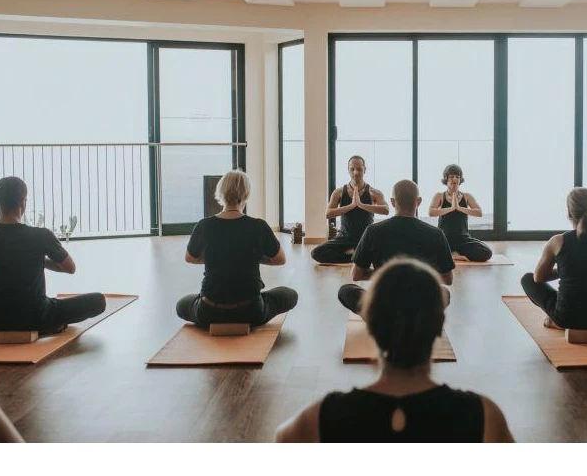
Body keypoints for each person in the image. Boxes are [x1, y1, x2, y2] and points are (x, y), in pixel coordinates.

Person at [276, 258, 514, 443]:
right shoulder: (482, 414)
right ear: (440, 324)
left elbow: (283, 438)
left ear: (371, 323)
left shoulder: (326, 413)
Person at [0, 176, 106, 334]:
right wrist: (39, 259)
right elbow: (70, 268)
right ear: (23, 201)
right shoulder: (40, 235)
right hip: (37, 317)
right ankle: (53, 324)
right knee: (98, 300)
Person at [178, 170, 298, 327]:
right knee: (290, 295)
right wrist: (252, 257)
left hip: (209, 312)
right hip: (250, 312)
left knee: (182, 304)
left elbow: (190, 258)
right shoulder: (258, 226)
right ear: (246, 194)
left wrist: (218, 257)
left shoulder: (204, 225)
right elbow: (280, 260)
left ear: (220, 192)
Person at [338, 180, 456, 315]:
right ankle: (417, 320)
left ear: (393, 202)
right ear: (419, 202)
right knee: (444, 293)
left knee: (346, 290)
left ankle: (380, 319)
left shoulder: (373, 231)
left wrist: (389, 274)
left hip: (384, 303)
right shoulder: (436, 234)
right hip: (418, 303)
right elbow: (448, 279)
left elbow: (356, 275)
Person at [520, 187, 587, 331]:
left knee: (527, 279)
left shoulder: (558, 241)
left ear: (569, 213)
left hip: (568, 318)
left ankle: (555, 321)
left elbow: (538, 278)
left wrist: (565, 270)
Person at [311, 156, 389, 264]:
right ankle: (354, 257)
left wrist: (361, 205)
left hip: (365, 238)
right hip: (344, 237)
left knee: (387, 253)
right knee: (316, 253)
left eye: (359, 169)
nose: (356, 172)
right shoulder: (339, 192)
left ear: (364, 170)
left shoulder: (374, 192)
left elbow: (386, 210)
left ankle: (358, 255)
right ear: (348, 170)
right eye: (352, 169)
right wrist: (351, 206)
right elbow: (328, 214)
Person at [428, 164, 494, 262]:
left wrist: (459, 208)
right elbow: (431, 212)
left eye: (457, 176)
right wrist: (451, 208)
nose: (454, 179)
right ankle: (453, 254)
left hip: (463, 239)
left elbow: (479, 212)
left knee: (487, 252)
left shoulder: (466, 196)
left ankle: (453, 253)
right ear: (446, 179)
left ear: (460, 179)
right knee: (425, 250)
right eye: (451, 176)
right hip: (444, 238)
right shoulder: (439, 196)